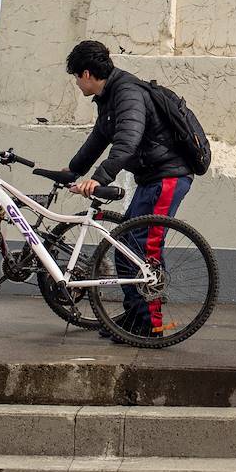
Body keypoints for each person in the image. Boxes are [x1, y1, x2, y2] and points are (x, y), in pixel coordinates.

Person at [62, 39, 193, 340]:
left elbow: (127, 140)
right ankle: (136, 316)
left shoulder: (128, 93)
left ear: (85, 74)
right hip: (152, 179)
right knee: (126, 245)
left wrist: (100, 178)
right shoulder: (109, 97)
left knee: (145, 250)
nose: (76, 83)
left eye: (74, 77)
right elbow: (98, 140)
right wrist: (72, 171)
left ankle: (151, 324)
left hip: (168, 177)